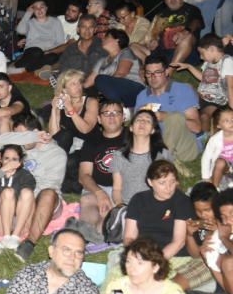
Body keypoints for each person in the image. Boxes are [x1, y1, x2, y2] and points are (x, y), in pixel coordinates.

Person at [0, 113, 68, 263]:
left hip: (44, 201)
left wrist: (26, 200)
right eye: (18, 137)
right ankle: (11, 234)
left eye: (23, 136)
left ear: (36, 132)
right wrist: (30, 137)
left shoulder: (57, 154)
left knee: (48, 194)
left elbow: (50, 186)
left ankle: (29, 243)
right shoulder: (22, 149)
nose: (20, 141)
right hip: (20, 197)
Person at [74, 99, 127, 237]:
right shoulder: (92, 141)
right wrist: (99, 193)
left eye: (116, 113)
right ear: (99, 119)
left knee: (105, 223)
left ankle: (107, 229)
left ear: (124, 117)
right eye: (106, 113)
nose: (111, 116)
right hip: (97, 189)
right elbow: (84, 175)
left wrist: (118, 198)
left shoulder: (133, 138)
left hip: (125, 189)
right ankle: (90, 235)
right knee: (87, 202)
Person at [134, 54, 201, 162]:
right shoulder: (142, 96)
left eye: (158, 72)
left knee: (176, 118)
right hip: (156, 142)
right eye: (149, 73)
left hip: (184, 147)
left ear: (166, 72)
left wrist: (165, 116)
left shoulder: (183, 90)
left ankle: (163, 160)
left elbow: (196, 127)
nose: (153, 77)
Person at [125, 160, 193, 260]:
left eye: (172, 181)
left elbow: (179, 242)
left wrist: (155, 262)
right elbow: (129, 237)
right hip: (144, 252)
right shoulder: (138, 199)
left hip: (174, 254)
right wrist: (136, 256)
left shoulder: (182, 202)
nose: (168, 187)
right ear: (150, 182)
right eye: (162, 183)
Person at [111, 108, 172, 207]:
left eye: (148, 121)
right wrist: (120, 207)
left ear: (152, 130)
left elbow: (170, 185)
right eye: (139, 119)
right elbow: (117, 189)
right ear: (131, 128)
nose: (143, 122)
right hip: (129, 206)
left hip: (157, 205)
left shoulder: (162, 154)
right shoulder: (119, 155)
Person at [173, 34, 233, 130]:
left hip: (215, 101)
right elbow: (204, 78)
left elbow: (230, 86)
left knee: (205, 116)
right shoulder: (209, 61)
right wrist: (189, 67)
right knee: (185, 87)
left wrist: (231, 107)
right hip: (202, 96)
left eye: (202, 53)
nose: (201, 57)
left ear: (212, 49)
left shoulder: (227, 61)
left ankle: (203, 139)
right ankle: (177, 117)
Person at [148, 0, 205, 66]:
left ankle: (170, 69)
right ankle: (146, 68)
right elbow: (154, 33)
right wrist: (153, 41)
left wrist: (186, 31)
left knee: (188, 37)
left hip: (185, 53)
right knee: (134, 46)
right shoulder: (160, 14)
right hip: (162, 53)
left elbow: (197, 22)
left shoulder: (192, 9)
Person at [88, 29, 144, 108]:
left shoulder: (125, 52)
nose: (103, 39)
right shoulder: (102, 61)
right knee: (88, 91)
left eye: (107, 37)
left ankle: (116, 107)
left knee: (100, 79)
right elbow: (89, 82)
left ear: (117, 40)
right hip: (111, 91)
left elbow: (121, 74)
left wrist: (103, 90)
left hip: (133, 89)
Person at [48, 69, 99, 154]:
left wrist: (70, 108)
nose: (78, 86)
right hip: (69, 147)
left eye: (79, 82)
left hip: (88, 147)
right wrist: (54, 109)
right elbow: (54, 135)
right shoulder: (61, 105)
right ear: (64, 89)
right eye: (73, 84)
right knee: (65, 135)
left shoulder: (91, 102)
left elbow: (85, 129)